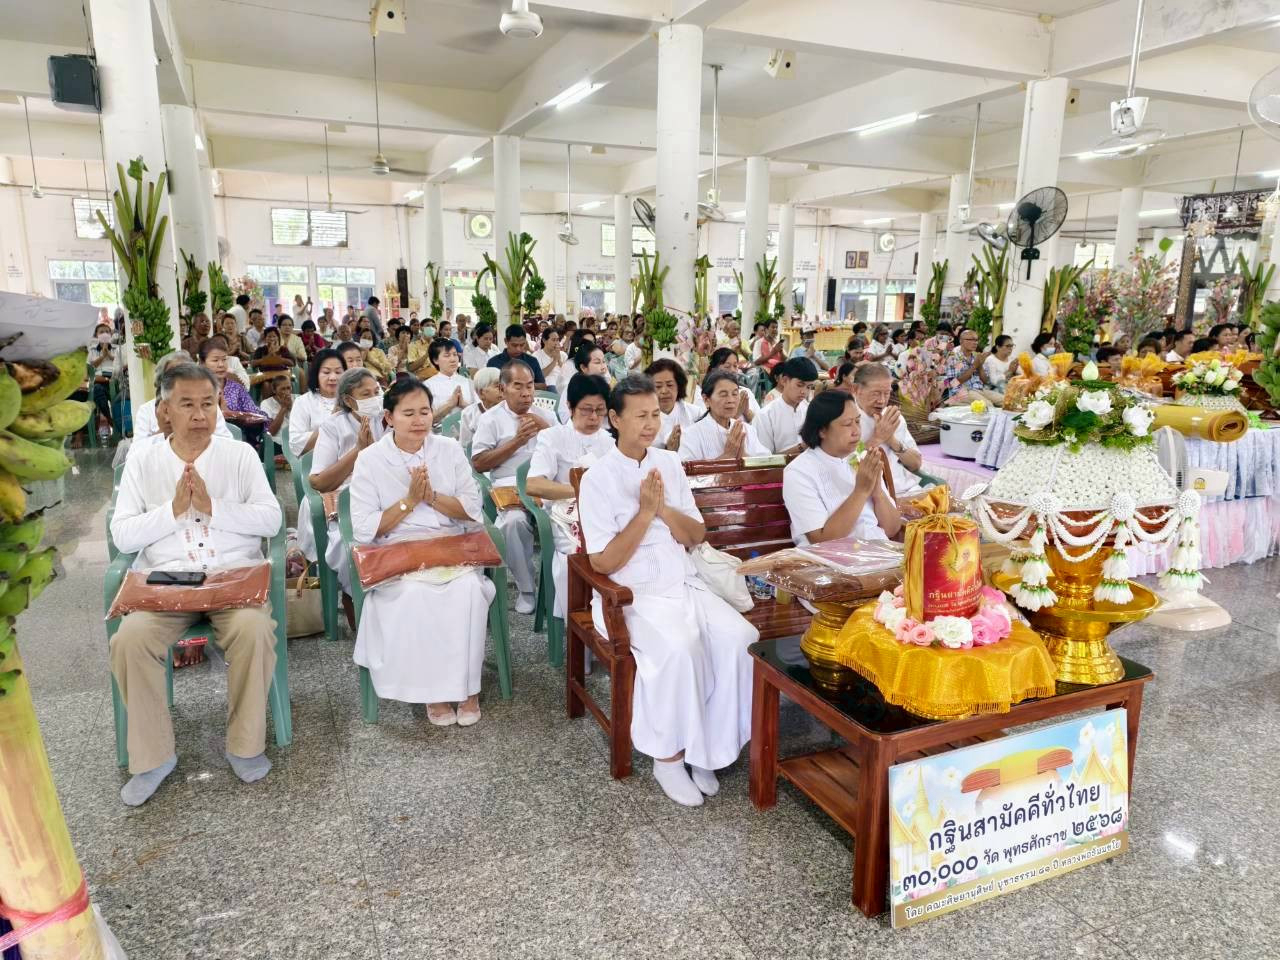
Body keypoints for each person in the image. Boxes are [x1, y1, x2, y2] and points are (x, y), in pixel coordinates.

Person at [578, 373, 758, 807]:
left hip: (684, 583)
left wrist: (663, 508)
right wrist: (644, 515)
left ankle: (709, 750)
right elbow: (602, 562)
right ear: (615, 419)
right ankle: (669, 757)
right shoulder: (597, 478)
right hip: (631, 595)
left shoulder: (670, 463)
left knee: (741, 638)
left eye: (655, 414)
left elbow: (696, 534)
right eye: (639, 415)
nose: (649, 423)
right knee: (680, 647)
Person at [109, 363, 283, 806]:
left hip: (231, 578)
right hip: (167, 585)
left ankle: (244, 746)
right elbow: (122, 535)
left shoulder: (238, 455)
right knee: (130, 639)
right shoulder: (143, 460)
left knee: (253, 630)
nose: (200, 414)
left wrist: (213, 507)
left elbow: (272, 518)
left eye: (208, 403)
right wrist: (172, 511)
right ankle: (153, 758)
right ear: (165, 410)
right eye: (186, 404)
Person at [349, 378, 494, 726]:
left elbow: (473, 508)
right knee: (415, 595)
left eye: (425, 411)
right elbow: (367, 528)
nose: (419, 420)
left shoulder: (448, 449)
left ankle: (468, 688)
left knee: (469, 591)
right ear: (388, 417)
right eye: (408, 413)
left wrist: (432, 499)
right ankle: (433, 692)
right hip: (399, 550)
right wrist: (410, 501)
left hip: (449, 546)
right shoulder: (370, 460)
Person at [526, 374, 614, 621]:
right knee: (575, 559)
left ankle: (609, 624)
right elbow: (534, 484)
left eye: (600, 410)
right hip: (565, 516)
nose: (594, 418)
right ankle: (578, 627)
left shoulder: (611, 442)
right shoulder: (553, 437)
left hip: (604, 514)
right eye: (586, 410)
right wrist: (580, 490)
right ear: (570, 407)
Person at [471, 362, 549, 613]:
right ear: (503, 389)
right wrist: (517, 441)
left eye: (529, 386)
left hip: (547, 485)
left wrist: (546, 429)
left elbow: (566, 449)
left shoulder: (543, 413)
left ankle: (561, 583)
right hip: (510, 486)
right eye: (518, 386)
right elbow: (479, 462)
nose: (526, 393)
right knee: (512, 523)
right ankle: (527, 588)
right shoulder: (490, 419)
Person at [309, 367, 384, 619]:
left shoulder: (387, 418)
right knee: (348, 542)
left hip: (386, 496)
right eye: (366, 394)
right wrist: (359, 451)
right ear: (349, 400)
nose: (374, 398)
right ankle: (356, 595)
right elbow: (319, 482)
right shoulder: (334, 426)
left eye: (377, 391)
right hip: (348, 500)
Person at [783, 390, 902, 546]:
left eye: (858, 422)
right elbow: (822, 542)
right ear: (822, 431)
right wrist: (861, 491)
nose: (856, 431)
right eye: (847, 424)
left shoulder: (860, 454)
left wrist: (877, 491)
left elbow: (892, 529)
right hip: (831, 562)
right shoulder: (798, 472)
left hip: (878, 552)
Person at [851, 363, 925, 498]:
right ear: (856, 389)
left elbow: (916, 464)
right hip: (870, 496)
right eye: (876, 393)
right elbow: (848, 466)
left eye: (887, 393)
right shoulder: (845, 418)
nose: (882, 400)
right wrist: (876, 439)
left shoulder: (892, 418)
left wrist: (892, 440)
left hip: (905, 489)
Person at [130, 351, 234, 446]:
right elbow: (133, 457)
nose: (181, 382)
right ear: (162, 382)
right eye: (174, 377)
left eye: (187, 376)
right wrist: (164, 433)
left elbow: (228, 443)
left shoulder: (208, 405)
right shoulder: (146, 410)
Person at [198, 336, 281, 450]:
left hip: (240, 443)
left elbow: (258, 414)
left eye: (224, 359)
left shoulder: (236, 388)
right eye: (215, 360)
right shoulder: (195, 390)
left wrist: (234, 414)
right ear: (203, 363)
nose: (221, 364)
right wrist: (223, 413)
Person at [679, 370, 770, 461]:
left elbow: (768, 464)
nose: (731, 400)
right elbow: (686, 473)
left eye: (735, 394)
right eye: (723, 395)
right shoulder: (691, 435)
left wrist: (743, 456)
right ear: (706, 400)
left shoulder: (747, 430)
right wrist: (727, 456)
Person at [288, 348, 346, 458]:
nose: (333, 377)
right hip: (316, 463)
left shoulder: (351, 399)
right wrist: (330, 422)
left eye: (338, 372)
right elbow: (296, 444)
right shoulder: (303, 402)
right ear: (316, 374)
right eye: (326, 372)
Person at [753, 357, 818, 455]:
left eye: (809, 387)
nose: (804, 392)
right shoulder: (765, 416)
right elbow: (764, 460)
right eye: (800, 385)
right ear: (784, 380)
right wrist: (802, 447)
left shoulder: (810, 410)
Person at [646, 358, 695, 452]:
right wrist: (667, 449)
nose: (664, 391)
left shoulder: (694, 413)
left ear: (679, 386)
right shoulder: (642, 417)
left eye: (670, 385)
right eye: (658, 386)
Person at [556, 341, 609, 424]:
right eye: (597, 362)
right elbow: (565, 417)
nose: (603, 367)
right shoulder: (573, 388)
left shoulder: (606, 383)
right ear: (583, 367)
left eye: (604, 361)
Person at [423, 338, 476, 418]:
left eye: (455, 354)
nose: (453, 359)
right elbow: (425, 418)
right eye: (447, 355)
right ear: (435, 360)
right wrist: (449, 405)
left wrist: (463, 404)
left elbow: (479, 413)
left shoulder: (469, 382)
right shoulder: (427, 386)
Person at [460, 367, 503, 449]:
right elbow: (465, 446)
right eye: (497, 386)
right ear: (481, 393)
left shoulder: (511, 408)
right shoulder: (469, 414)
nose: (503, 390)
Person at [87, 322, 117, 434]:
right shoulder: (92, 350)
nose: (104, 334)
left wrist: (109, 354)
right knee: (97, 390)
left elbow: (122, 363)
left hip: (115, 379)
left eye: (107, 331)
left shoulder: (116, 348)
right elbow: (90, 366)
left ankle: (119, 419)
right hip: (99, 380)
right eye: (101, 332)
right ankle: (109, 418)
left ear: (111, 334)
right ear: (96, 335)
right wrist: (102, 356)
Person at [258, 374, 293, 444]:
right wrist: (284, 408)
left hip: (296, 440)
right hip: (277, 442)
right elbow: (271, 432)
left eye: (288, 388)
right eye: (283, 389)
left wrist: (292, 408)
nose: (287, 392)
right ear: (274, 390)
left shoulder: (298, 399)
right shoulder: (266, 404)